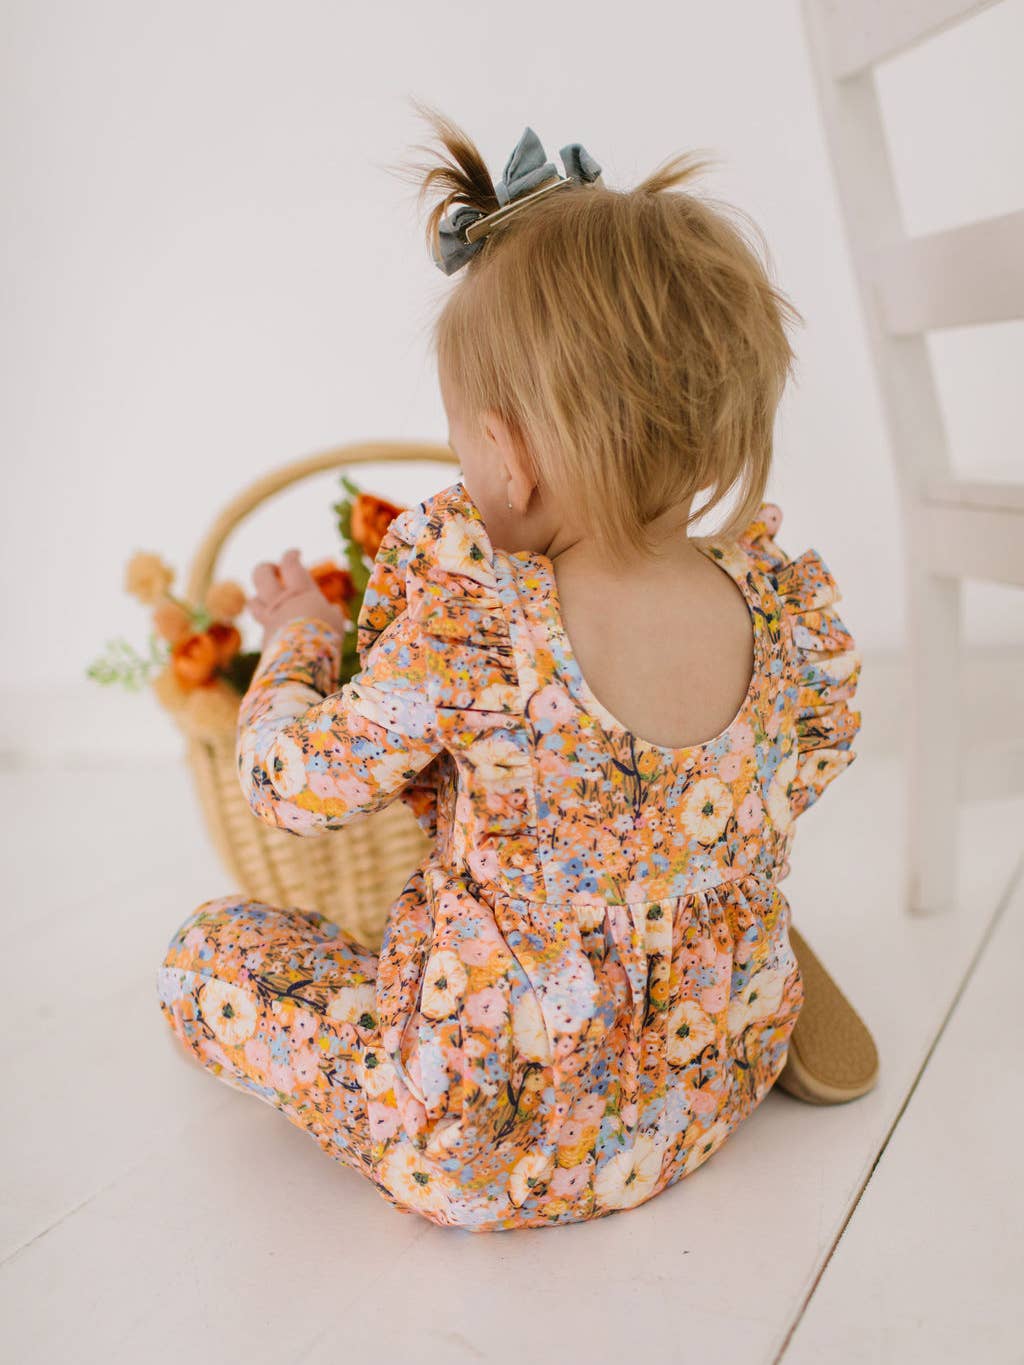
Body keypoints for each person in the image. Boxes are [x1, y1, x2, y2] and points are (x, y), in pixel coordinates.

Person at [157, 107, 875, 1233]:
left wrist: (300, 631)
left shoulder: (479, 629)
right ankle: (681, 944)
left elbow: (287, 788)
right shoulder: (780, 612)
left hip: (477, 1146)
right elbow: (801, 769)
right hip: (700, 1092)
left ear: (504, 456)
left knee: (210, 953)